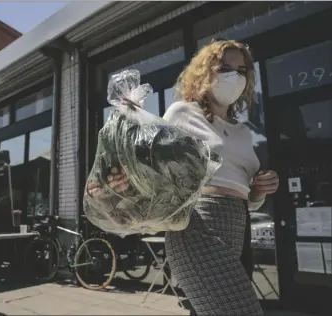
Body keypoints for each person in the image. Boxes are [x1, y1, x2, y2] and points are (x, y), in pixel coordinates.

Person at [87, 39, 280, 315]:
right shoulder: (182, 113)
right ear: (205, 73)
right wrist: (121, 174)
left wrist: (259, 191)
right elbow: (154, 166)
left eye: (241, 71)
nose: (234, 77)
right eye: (225, 67)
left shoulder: (243, 132)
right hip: (198, 227)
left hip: (239, 227)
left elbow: (245, 195)